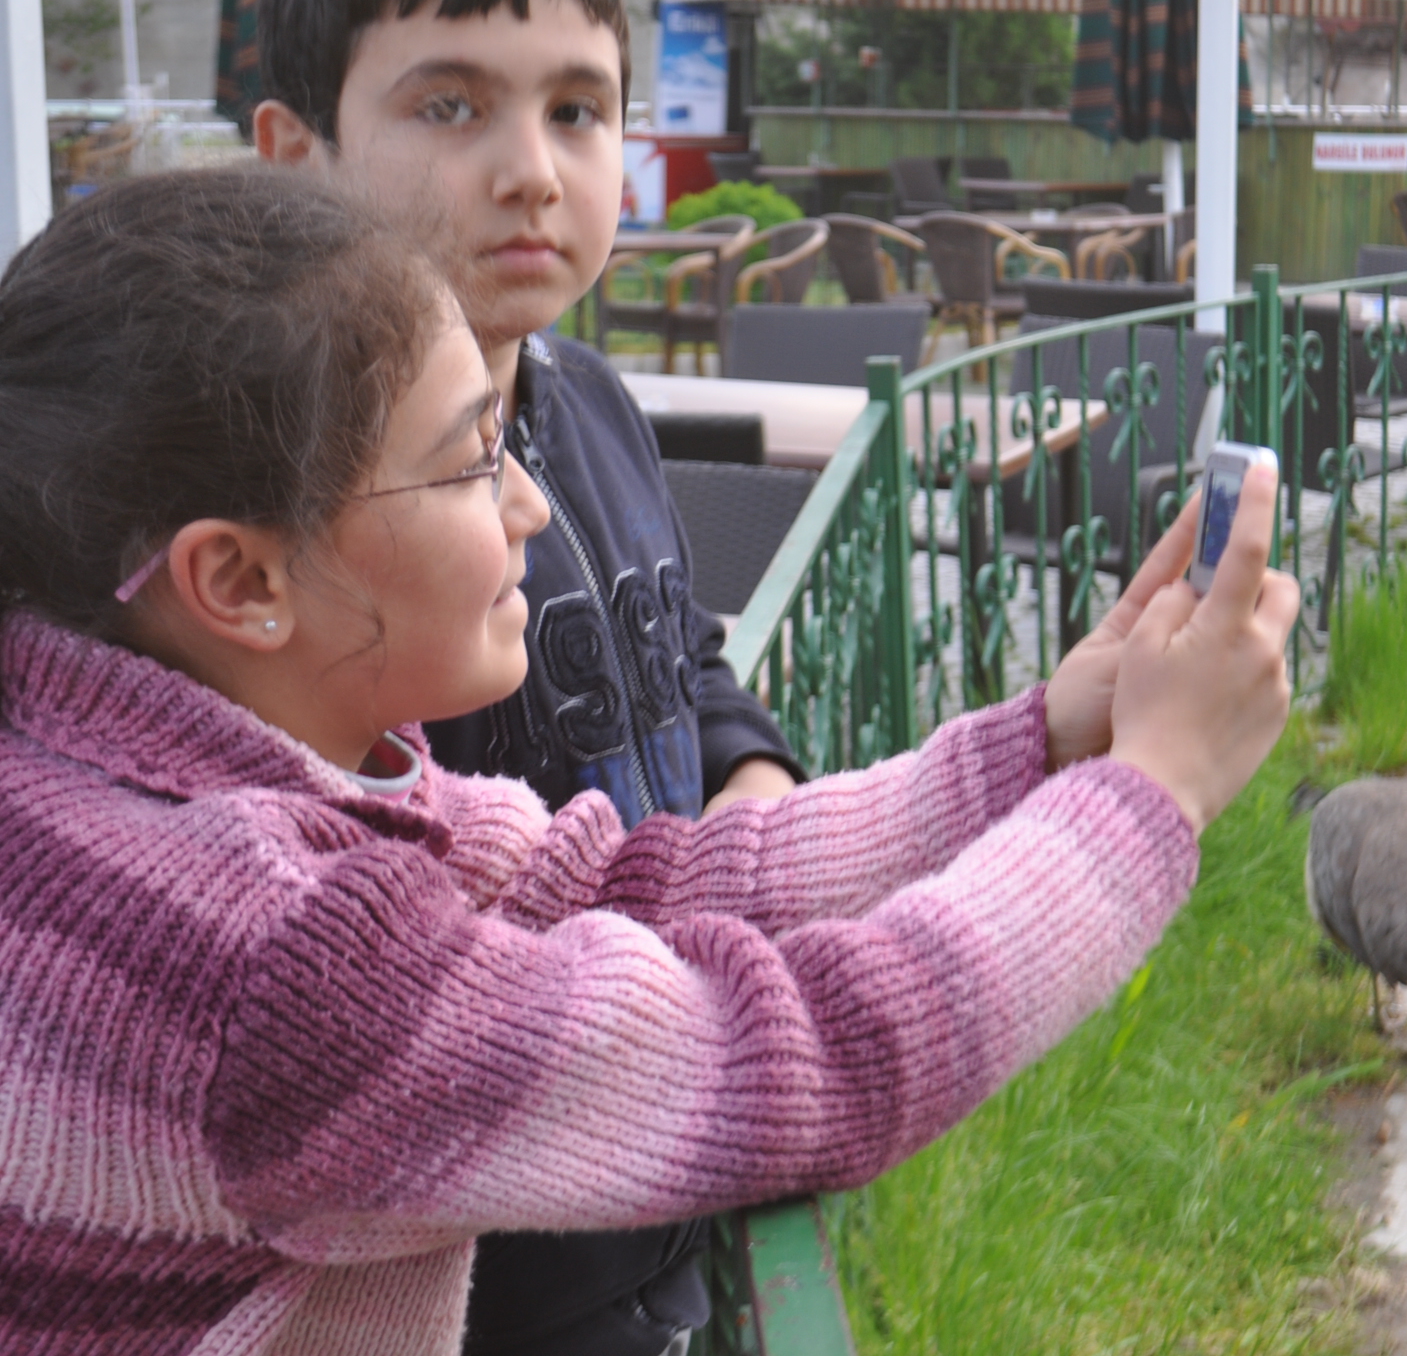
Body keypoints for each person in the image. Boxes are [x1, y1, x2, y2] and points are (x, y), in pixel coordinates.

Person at [0, 168, 1297, 1356]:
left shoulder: (127, 773)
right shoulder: (265, 961)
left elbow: (633, 884)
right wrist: (1152, 797)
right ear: (240, 579)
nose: (531, 506)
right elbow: (808, 1061)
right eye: (468, 462)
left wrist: (1043, 742)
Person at [247, 0, 804, 1346]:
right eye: (451, 108)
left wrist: (752, 776)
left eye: (577, 109)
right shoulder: (307, 519)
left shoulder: (599, 407)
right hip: (479, 1278)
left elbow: (680, 655)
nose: (532, 172)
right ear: (294, 154)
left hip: (674, 1198)